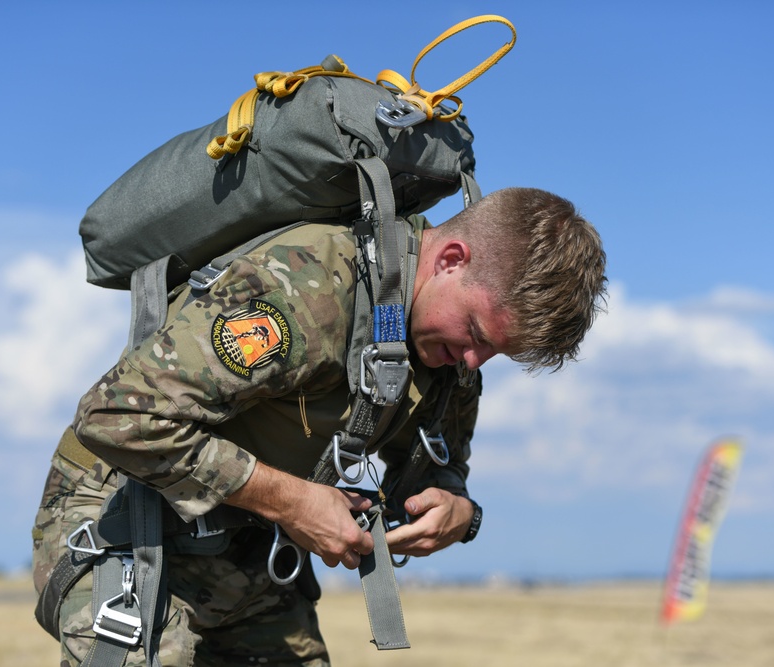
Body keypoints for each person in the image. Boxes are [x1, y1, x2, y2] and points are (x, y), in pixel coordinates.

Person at [32, 186, 607, 666]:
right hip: (124, 522)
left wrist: (459, 511)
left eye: (495, 354)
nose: (474, 362)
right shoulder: (307, 288)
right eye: (478, 334)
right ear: (451, 259)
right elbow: (116, 417)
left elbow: (437, 469)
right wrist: (292, 502)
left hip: (246, 551)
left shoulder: (450, 358)